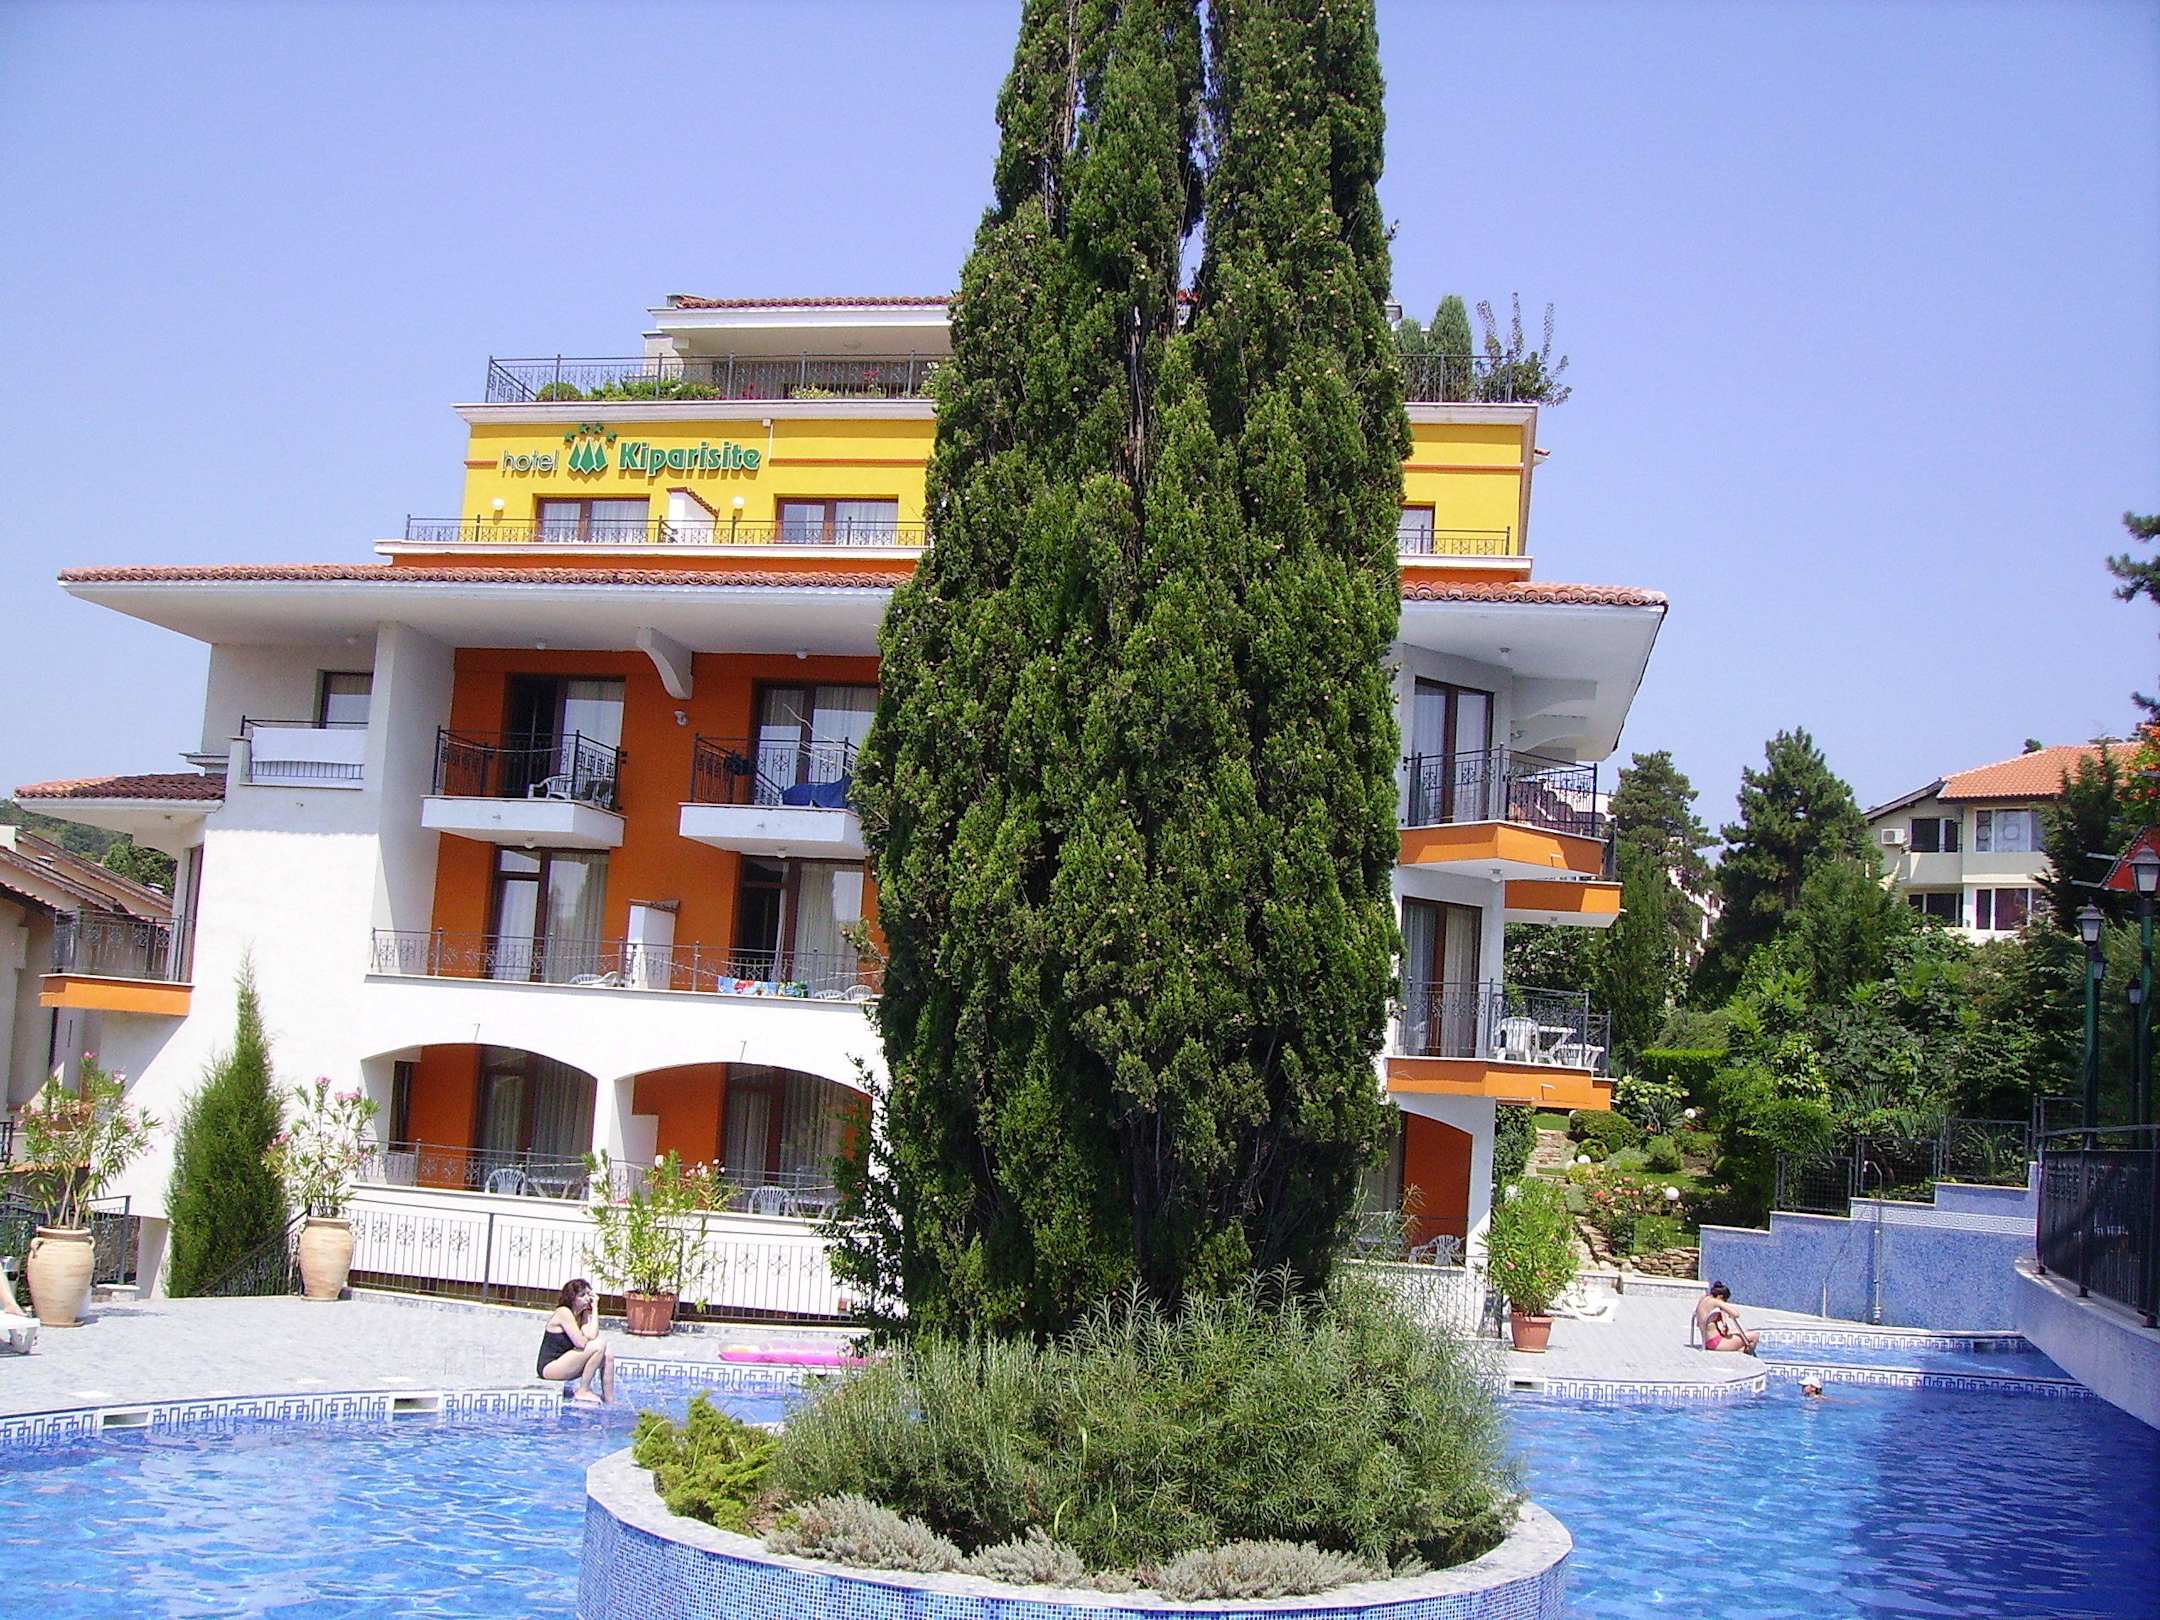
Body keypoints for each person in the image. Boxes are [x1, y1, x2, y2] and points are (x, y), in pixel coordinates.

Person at [537, 1278, 615, 1404]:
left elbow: (592, 1335)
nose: (587, 1298)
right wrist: (587, 1339)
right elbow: (581, 1343)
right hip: (549, 1367)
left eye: (588, 1294)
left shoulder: (581, 1314)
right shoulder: (564, 1312)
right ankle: (583, 1390)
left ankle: (609, 1400)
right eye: (582, 1295)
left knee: (607, 1354)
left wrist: (595, 1308)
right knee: (599, 1345)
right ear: (572, 1298)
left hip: (566, 1362)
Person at [1693, 1281, 1759, 1354]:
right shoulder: (1715, 1301)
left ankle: (1742, 1350)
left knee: (1744, 1331)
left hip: (1706, 1341)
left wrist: (1724, 1322)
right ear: (1720, 1296)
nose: (1724, 1302)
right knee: (1755, 1336)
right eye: (1725, 1300)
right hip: (1716, 1342)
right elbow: (1736, 1314)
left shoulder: (1704, 1298)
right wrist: (1727, 1312)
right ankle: (1749, 1354)